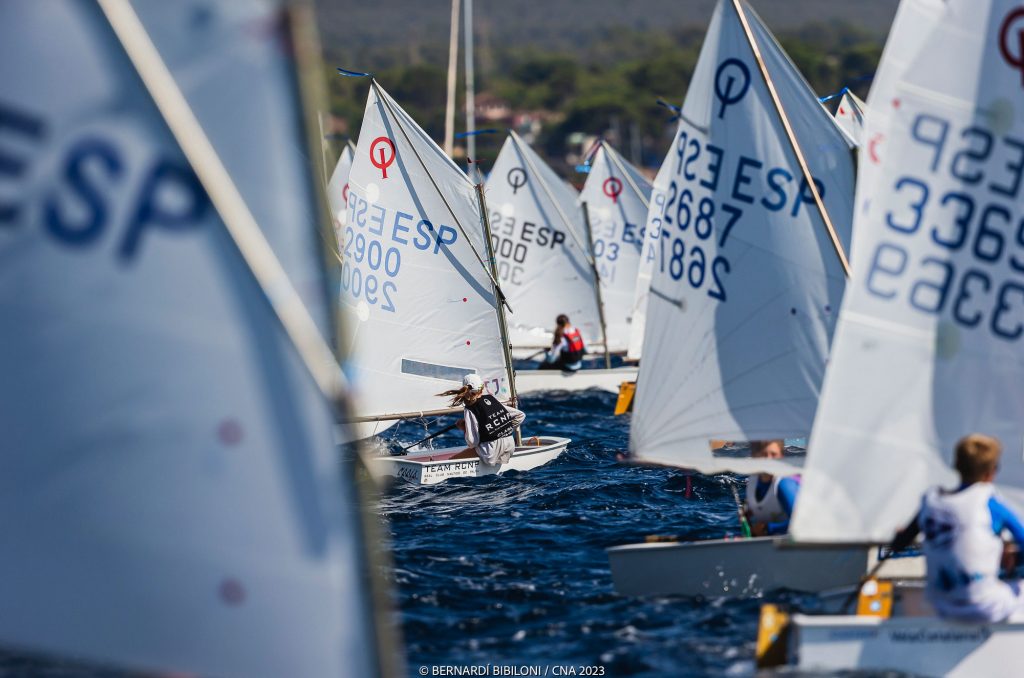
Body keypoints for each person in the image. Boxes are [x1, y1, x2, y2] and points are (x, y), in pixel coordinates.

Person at [889, 434, 1024, 622]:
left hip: (941, 606)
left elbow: (898, 545)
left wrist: (900, 536)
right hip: (983, 607)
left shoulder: (931, 502)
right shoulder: (989, 503)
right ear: (990, 472)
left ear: (957, 466)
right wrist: (1014, 556)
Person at [438, 374, 525, 466]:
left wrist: (464, 428)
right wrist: (502, 428)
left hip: (491, 452)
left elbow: (472, 442)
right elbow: (520, 415)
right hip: (510, 446)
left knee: (452, 460)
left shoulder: (470, 409)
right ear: (482, 388)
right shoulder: (491, 398)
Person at [744, 439, 800, 536]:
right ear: (754, 456)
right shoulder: (753, 481)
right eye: (764, 455)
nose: (769, 460)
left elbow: (800, 523)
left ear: (781, 457)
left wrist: (768, 528)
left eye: (773, 455)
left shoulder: (784, 484)